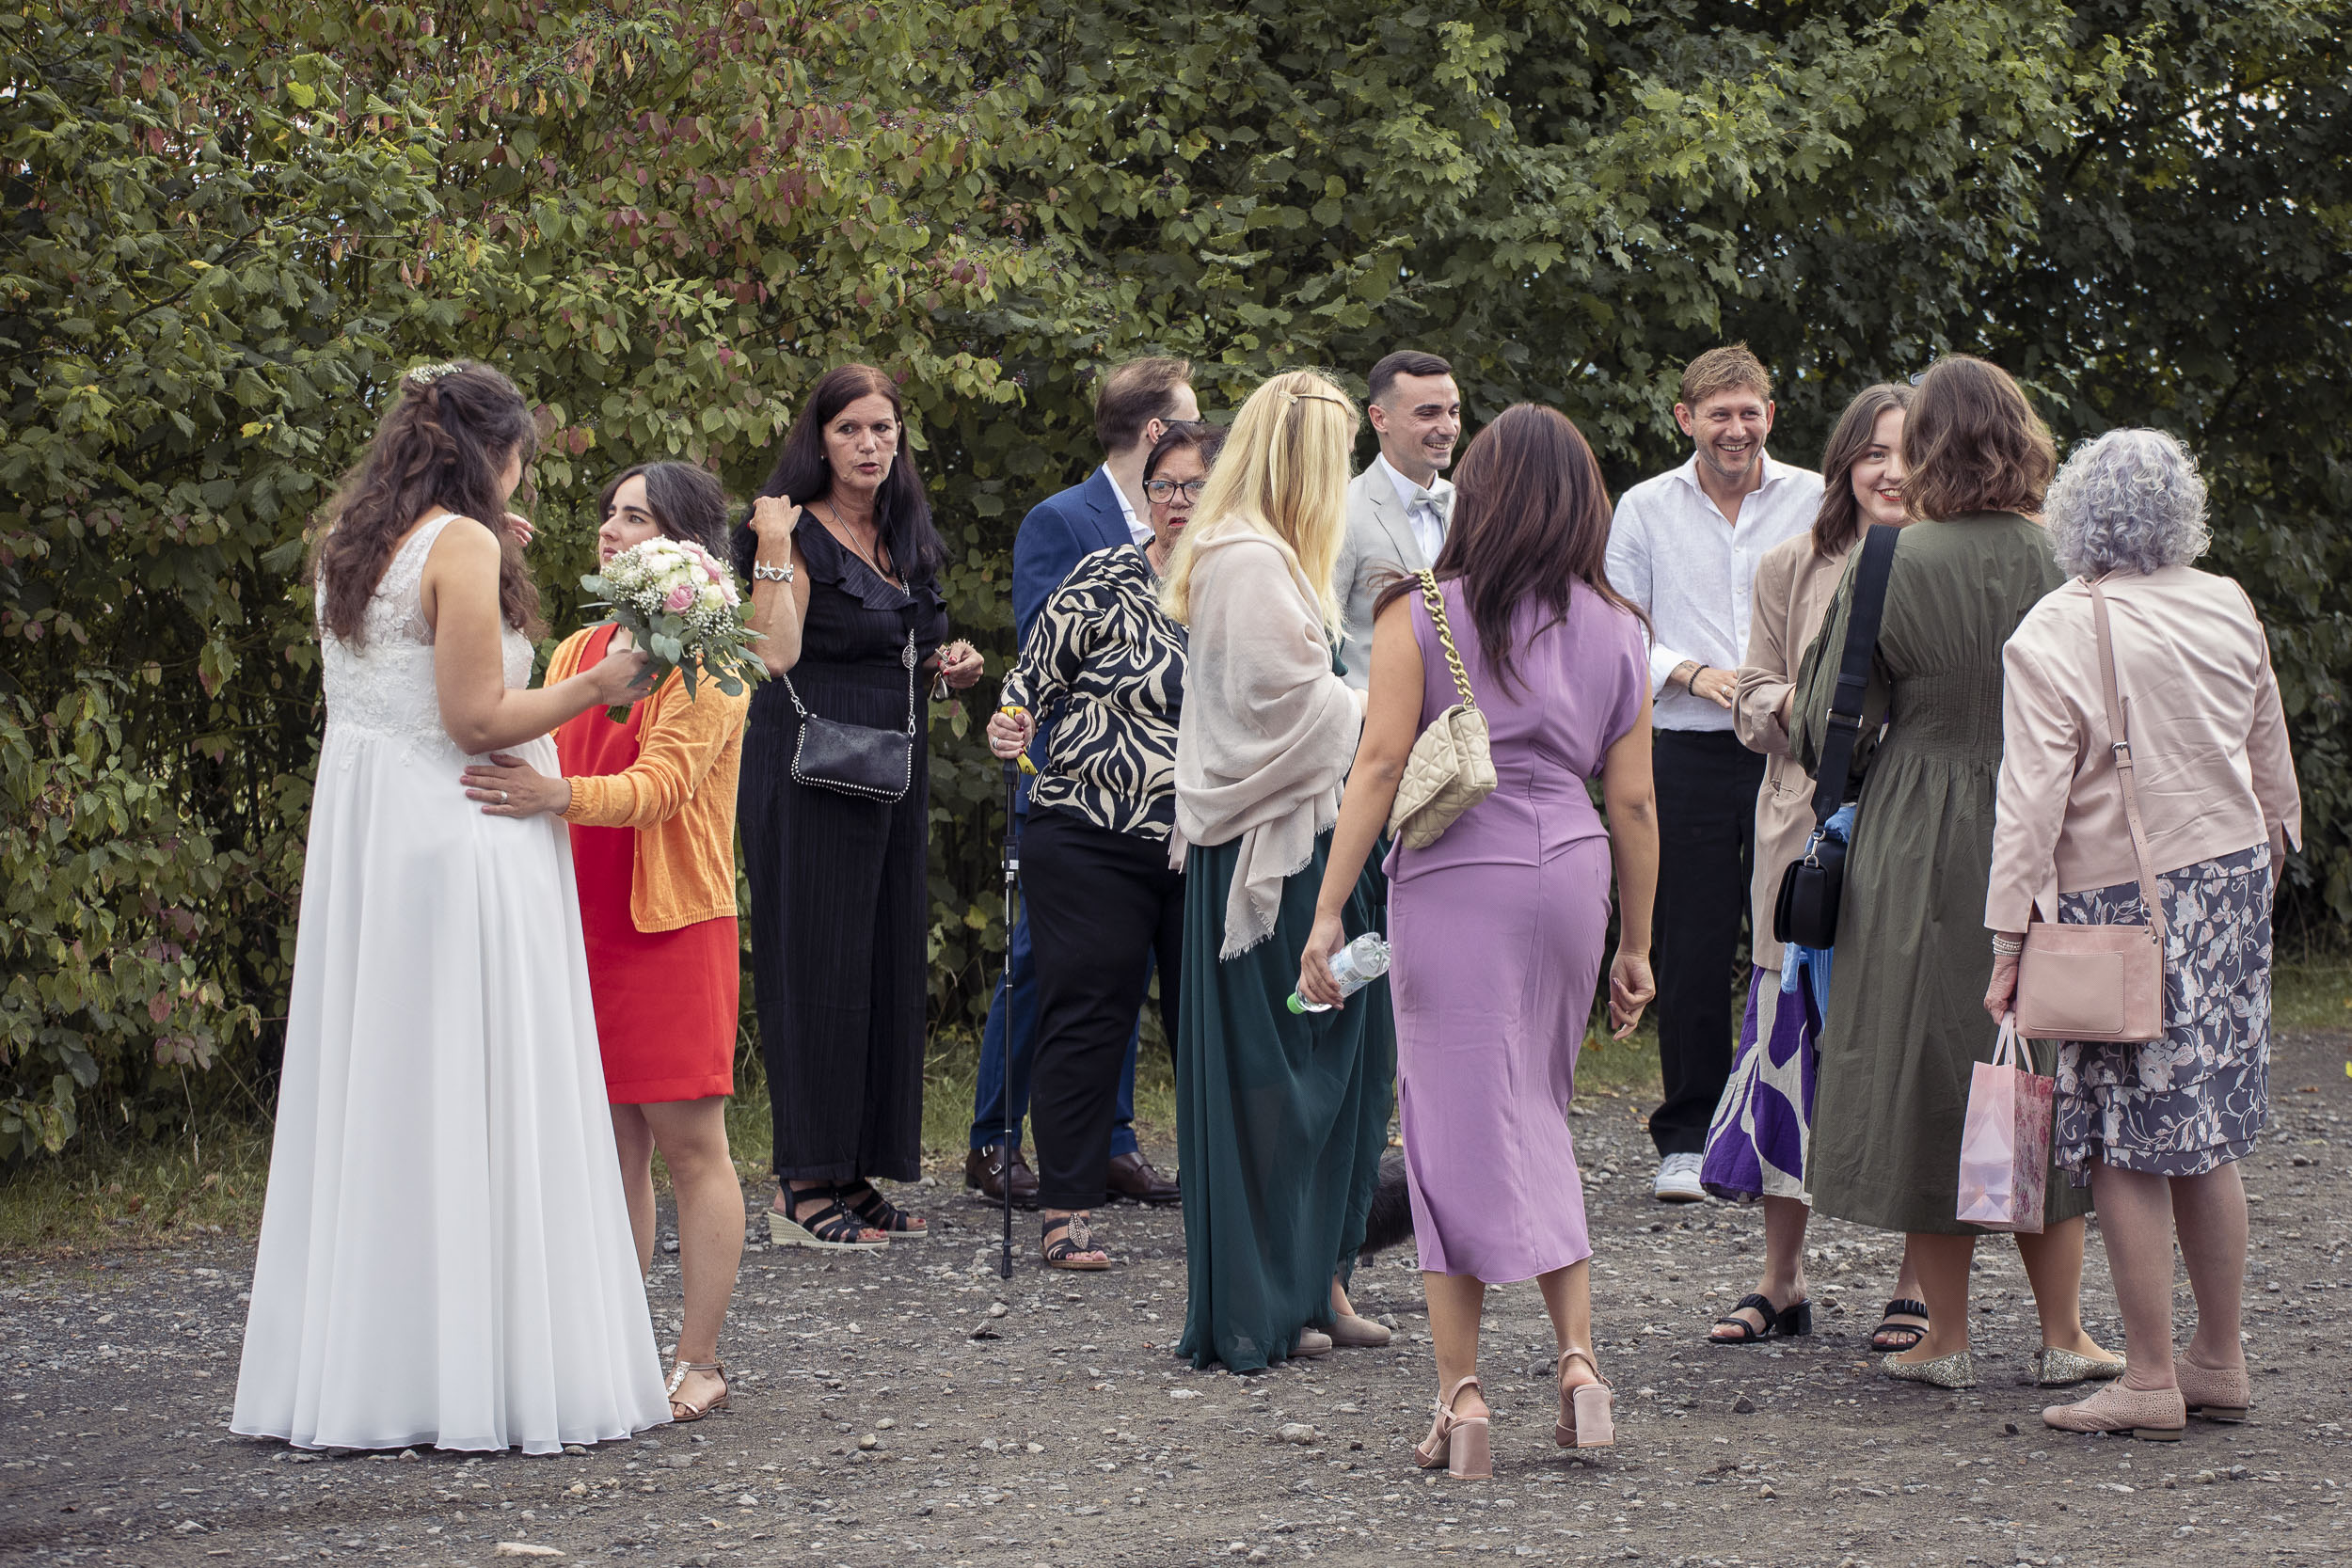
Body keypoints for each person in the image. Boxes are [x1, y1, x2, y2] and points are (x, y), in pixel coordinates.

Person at [233, 361, 669, 1453]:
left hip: (377, 840)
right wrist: (596, 684)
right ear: (494, 454)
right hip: (462, 831)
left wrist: (486, 556)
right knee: (474, 1082)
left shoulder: (354, 540)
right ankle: (486, 1364)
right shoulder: (462, 546)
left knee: (394, 1089)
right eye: (520, 457)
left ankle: (378, 1368)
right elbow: (474, 717)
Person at [1299, 404, 1659, 1474]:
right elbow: (1634, 802)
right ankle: (1579, 1366)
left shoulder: (1421, 611)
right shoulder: (1620, 626)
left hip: (1460, 869)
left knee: (1448, 1127)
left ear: (1482, 497)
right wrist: (1637, 945)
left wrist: (1329, 910)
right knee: (1539, 1109)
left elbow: (1377, 766)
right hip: (1573, 869)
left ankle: (1462, 1398)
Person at [1791, 355, 2115, 1391]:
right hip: (2055, 826)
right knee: (2038, 1066)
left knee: (1930, 1065)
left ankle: (1944, 1335)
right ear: (2022, 440)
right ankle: (2064, 1332)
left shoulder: (1888, 557)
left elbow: (1822, 724)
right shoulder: (2072, 564)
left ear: (1925, 445)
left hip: (1919, 830)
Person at [1983, 429, 2302, 1438]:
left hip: (2121, 905)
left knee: (2123, 1142)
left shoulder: (2054, 628)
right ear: (2182, 513)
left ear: (2075, 514)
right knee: (2204, 1131)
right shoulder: (2226, 601)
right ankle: (2220, 1358)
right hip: (2229, 882)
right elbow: (2270, 763)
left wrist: (2007, 939)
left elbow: (2028, 804)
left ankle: (2151, 1376)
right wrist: (2261, 868)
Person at [459, 462, 753, 1423]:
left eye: (636, 517)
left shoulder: (712, 658)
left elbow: (662, 788)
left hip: (667, 925)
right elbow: (518, 727)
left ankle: (699, 1358)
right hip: (575, 913)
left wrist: (555, 795)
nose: (611, 529)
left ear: (685, 546)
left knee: (690, 1145)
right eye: (609, 514)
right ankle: (612, 1354)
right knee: (606, 1145)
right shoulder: (582, 648)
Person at [1160, 369, 1393, 1371]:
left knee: (1346, 1062)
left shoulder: (1274, 553)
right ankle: (1267, 1295)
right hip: (1275, 852)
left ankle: (1320, 1279)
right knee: (1283, 1073)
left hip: (1314, 834)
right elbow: (1282, 709)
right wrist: (1385, 706)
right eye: (1337, 454)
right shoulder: (1245, 556)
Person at [734, 364, 985, 1249]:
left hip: (888, 769)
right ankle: (801, 1184)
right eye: (850, 429)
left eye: (882, 428)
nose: (869, 445)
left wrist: (951, 666)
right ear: (821, 439)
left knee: (880, 966)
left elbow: (912, 646)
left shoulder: (904, 533)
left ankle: (851, 1168)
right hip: (806, 773)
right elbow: (771, 652)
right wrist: (773, 542)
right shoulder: (792, 530)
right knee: (815, 968)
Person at [1700, 386, 1928, 1353]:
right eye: (1873, 452)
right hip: (1805, 837)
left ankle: (1917, 1282)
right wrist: (1814, 711)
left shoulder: (1947, 561)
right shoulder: (1792, 563)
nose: (1890, 471)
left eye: (1908, 453)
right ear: (1844, 463)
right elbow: (1749, 692)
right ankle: (1781, 1278)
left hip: (1917, 837)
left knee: (1911, 1051)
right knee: (1787, 1048)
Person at [986, 421, 1224, 1269]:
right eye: (1164, 485)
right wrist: (1010, 723)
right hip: (1089, 827)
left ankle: (1230, 1214)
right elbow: (1028, 682)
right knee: (1086, 1013)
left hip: (1212, 837)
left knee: (1214, 1026)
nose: (1178, 502)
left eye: (1197, 486)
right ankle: (1068, 1208)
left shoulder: (1252, 588)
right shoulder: (1103, 576)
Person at [1603, 345, 1824, 1202]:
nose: (1736, 428)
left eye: (1749, 412)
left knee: (1802, 932)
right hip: (1686, 745)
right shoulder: (1645, 507)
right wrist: (1694, 673)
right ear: (1684, 418)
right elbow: (1620, 625)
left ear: (1771, 414)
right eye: (1718, 413)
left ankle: (1800, 1126)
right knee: (1692, 943)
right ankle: (1687, 1138)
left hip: (1791, 745)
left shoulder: (1816, 498)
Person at [1334, 351, 1461, 689]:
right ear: (1380, 419)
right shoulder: (1342, 510)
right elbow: (1320, 638)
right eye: (1428, 413)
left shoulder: (1472, 508)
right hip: (1371, 713)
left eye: (1453, 411)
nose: (1448, 428)